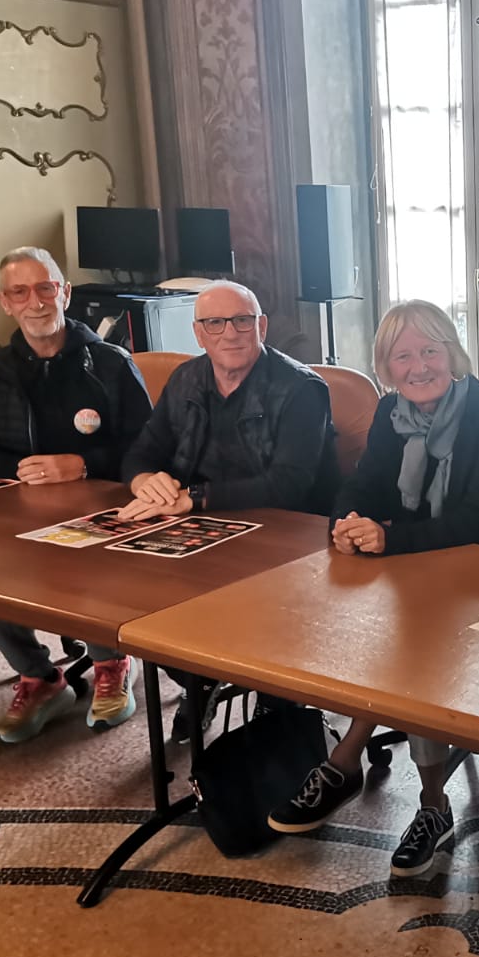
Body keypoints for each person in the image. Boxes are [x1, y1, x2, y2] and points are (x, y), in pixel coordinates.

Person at [264, 300, 479, 876]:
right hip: (418, 571)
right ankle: (355, 765)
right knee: (385, 629)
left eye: (430, 351)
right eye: (402, 356)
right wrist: (347, 522)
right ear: (386, 367)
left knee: (416, 645)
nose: (418, 367)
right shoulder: (392, 411)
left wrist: (393, 539)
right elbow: (360, 484)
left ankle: (414, 795)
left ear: (453, 354)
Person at [0, 246, 153, 744]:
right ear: (5, 303)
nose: (35, 302)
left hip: (101, 511)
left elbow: (148, 448)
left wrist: (83, 464)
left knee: (91, 565)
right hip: (20, 510)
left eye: (45, 288)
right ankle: (38, 677)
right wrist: (14, 469)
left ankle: (110, 662)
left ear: (65, 293)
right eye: (20, 292)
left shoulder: (110, 364)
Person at [119, 280, 340, 739]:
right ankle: (199, 679)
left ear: (261, 326)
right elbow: (140, 452)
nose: (230, 333)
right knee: (138, 598)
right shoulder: (185, 380)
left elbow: (289, 484)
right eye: (215, 323)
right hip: (201, 531)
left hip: (286, 539)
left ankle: (276, 695)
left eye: (242, 320)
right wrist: (144, 480)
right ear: (198, 333)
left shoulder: (301, 388)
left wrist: (195, 498)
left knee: (264, 620)